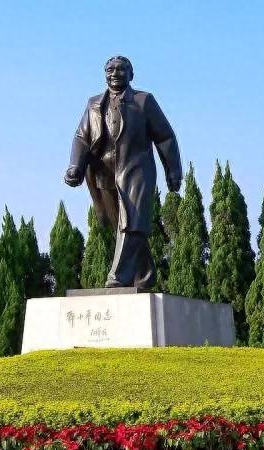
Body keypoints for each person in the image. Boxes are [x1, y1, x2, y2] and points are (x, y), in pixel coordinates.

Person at [64, 56, 182, 288]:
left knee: (131, 221)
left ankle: (118, 276)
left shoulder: (143, 101)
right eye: (110, 69)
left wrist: (173, 170)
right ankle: (144, 275)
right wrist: (75, 166)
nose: (115, 73)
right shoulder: (94, 104)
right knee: (121, 224)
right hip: (103, 174)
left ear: (131, 74)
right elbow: (82, 137)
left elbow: (165, 137)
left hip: (136, 171)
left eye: (121, 69)